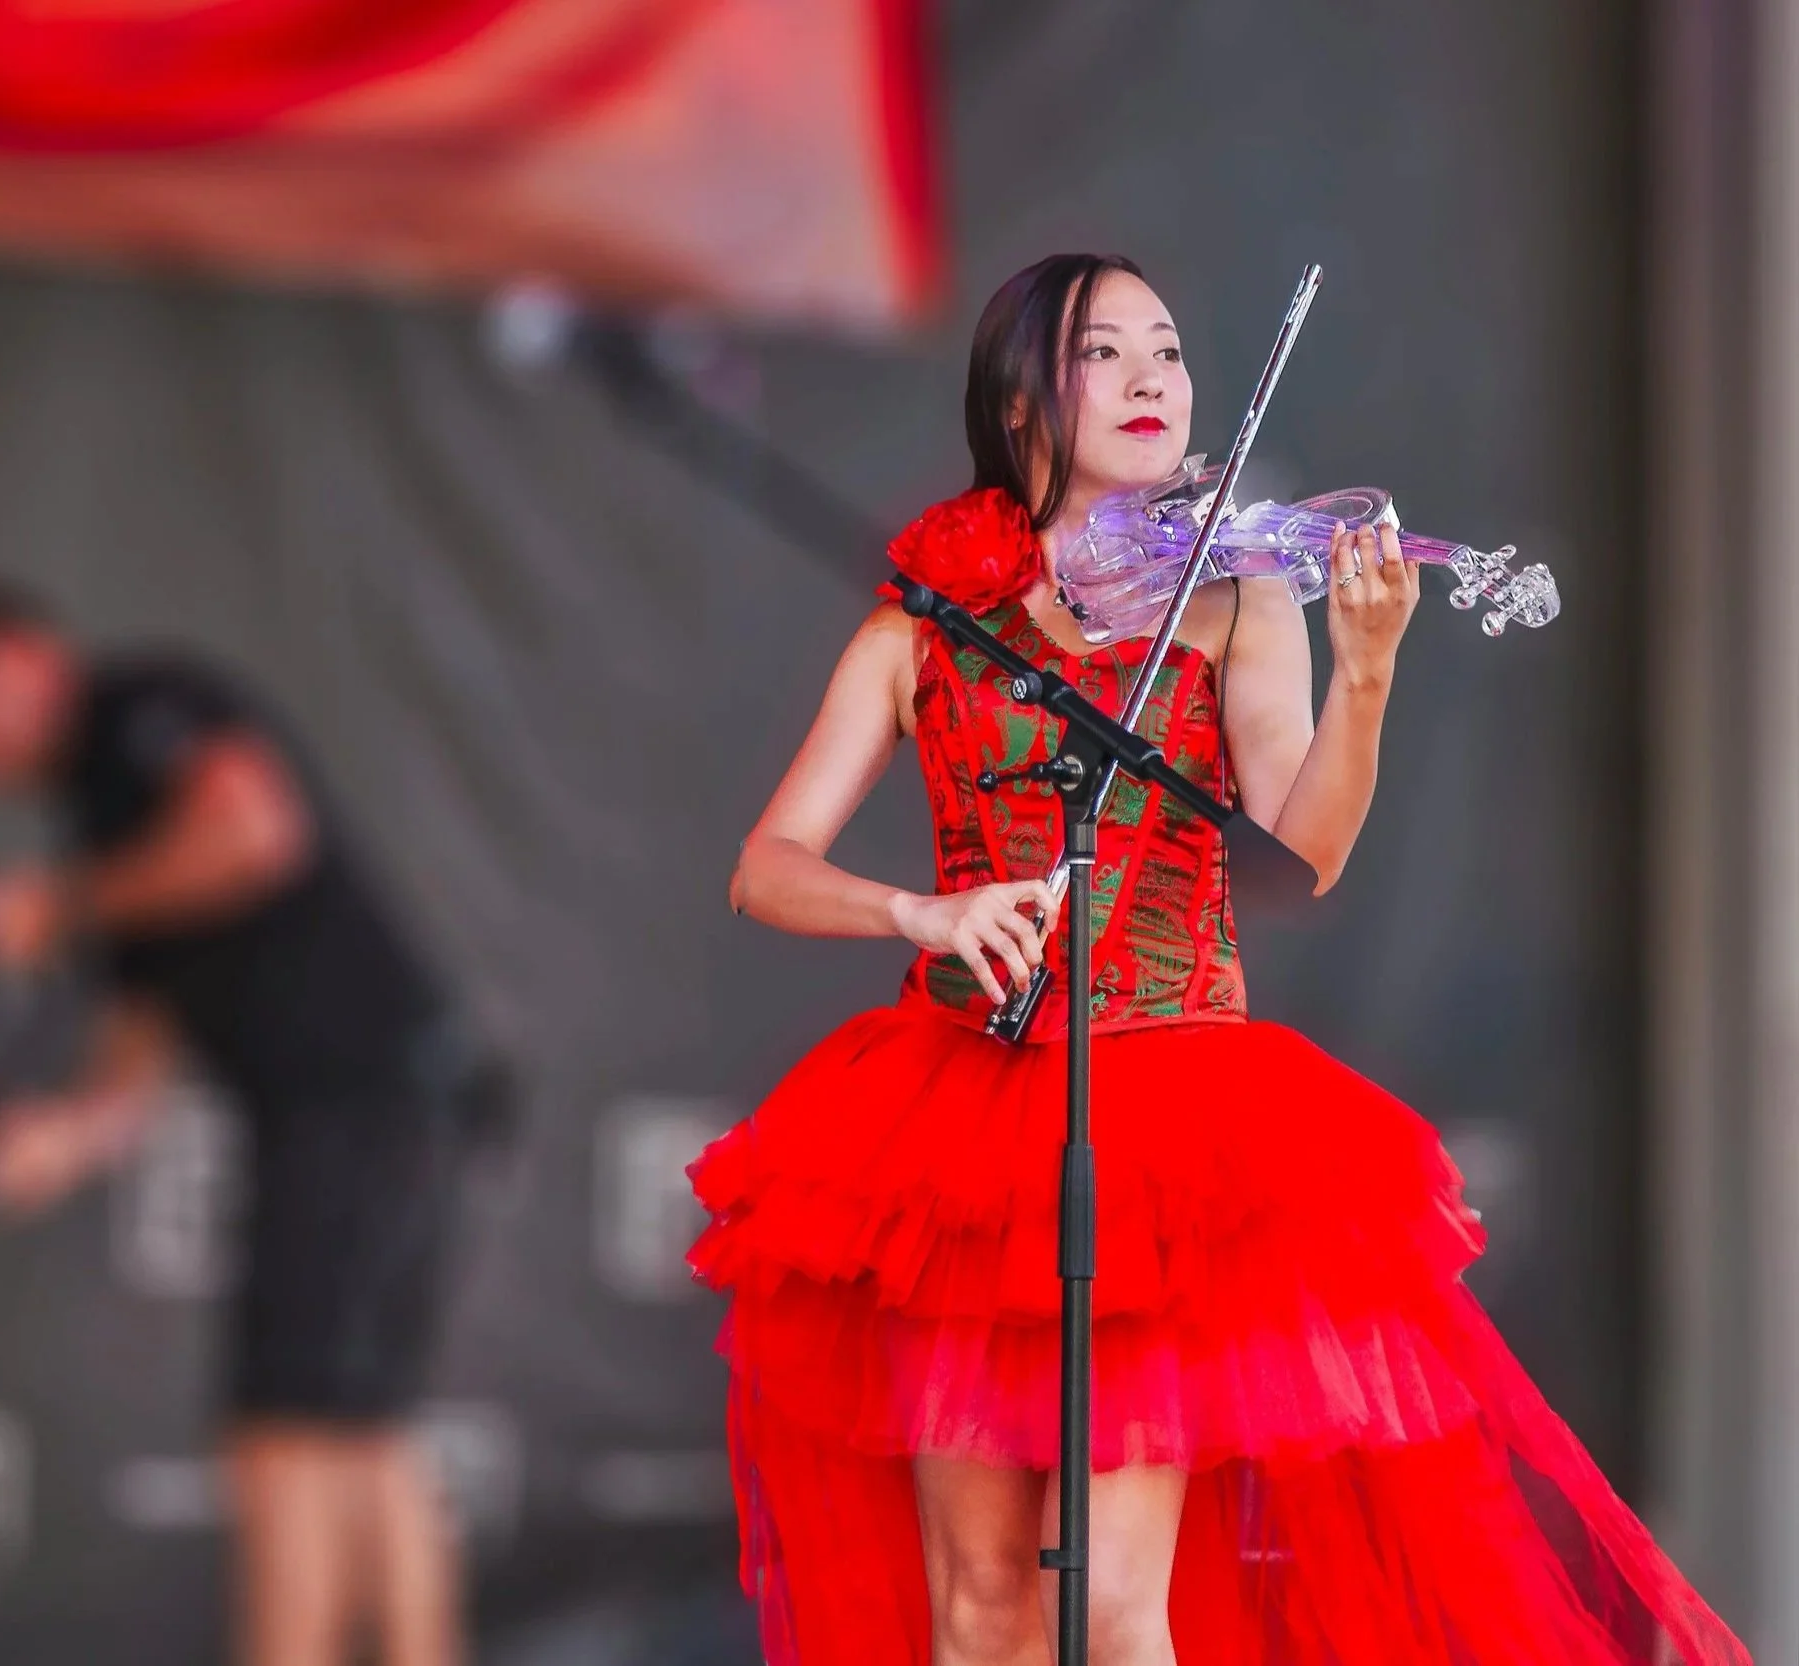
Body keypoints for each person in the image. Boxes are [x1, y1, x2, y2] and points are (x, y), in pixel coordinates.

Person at [687, 255, 1747, 1666]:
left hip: (1162, 1118)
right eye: (1101, 351)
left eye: (1169, 350)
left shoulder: (1240, 600)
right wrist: (919, 914)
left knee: (1113, 1605)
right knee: (981, 1603)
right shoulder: (922, 627)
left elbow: (1303, 857)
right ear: (1020, 401)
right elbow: (766, 865)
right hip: (963, 1130)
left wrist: (1365, 675)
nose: (1151, 378)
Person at [0, 582, 485, 1666]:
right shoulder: (97, 830)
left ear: (14, 654)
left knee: (289, 1431)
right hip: (341, 1111)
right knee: (358, 1428)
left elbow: (254, 831)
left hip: (362, 1097)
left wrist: (55, 904)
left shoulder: (140, 709)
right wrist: (63, 1138)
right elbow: (138, 1052)